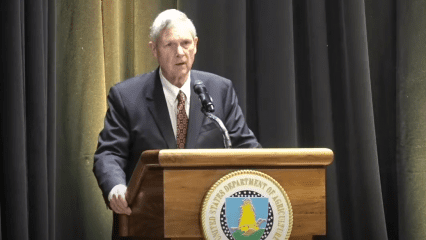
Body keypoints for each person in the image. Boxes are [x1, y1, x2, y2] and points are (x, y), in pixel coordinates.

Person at [93, 8, 260, 234]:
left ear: (196, 44)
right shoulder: (127, 96)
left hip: (210, 218)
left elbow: (246, 147)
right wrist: (116, 188)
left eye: (186, 43)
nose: (180, 52)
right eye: (170, 45)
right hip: (148, 218)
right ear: (154, 49)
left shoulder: (219, 90)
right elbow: (110, 153)